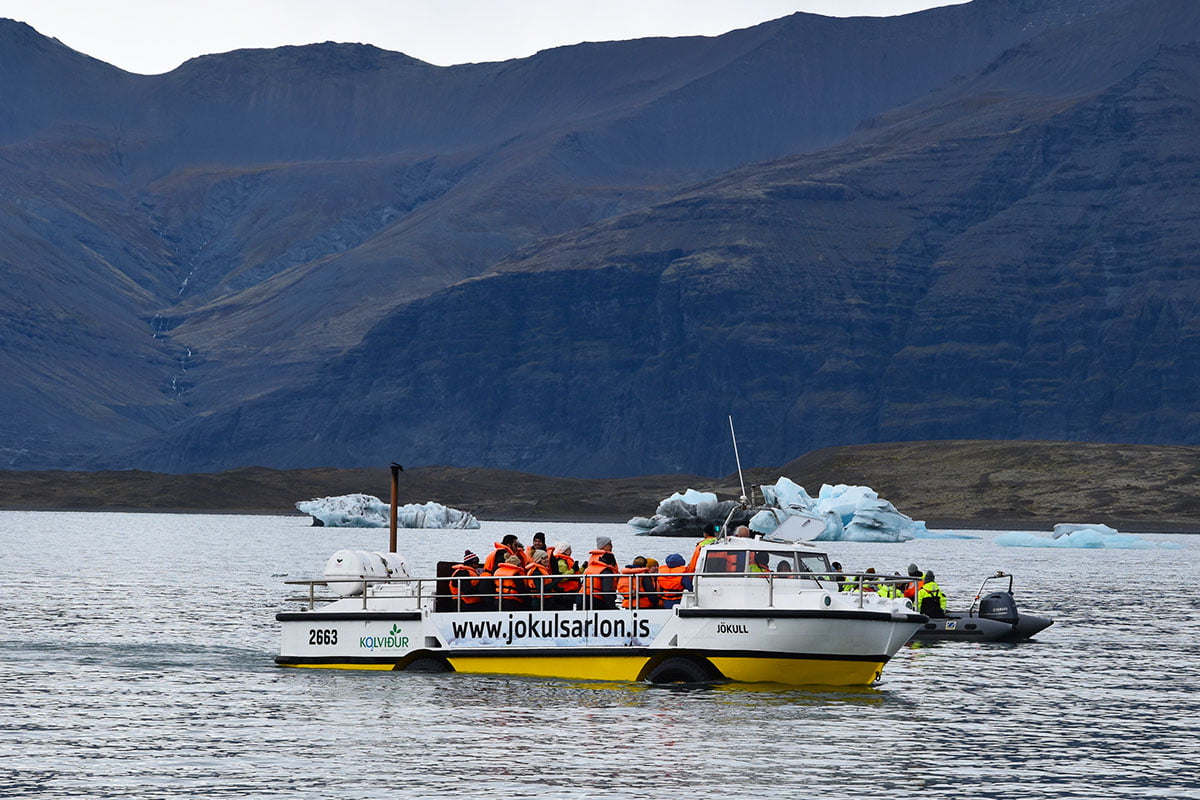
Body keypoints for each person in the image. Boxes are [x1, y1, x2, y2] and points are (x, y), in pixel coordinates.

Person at [549, 541, 582, 607]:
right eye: (569, 549)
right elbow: (562, 578)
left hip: (570, 591)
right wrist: (573, 570)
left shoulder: (565, 561)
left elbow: (575, 574)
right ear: (564, 550)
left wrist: (583, 568)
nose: (571, 551)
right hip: (565, 591)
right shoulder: (561, 562)